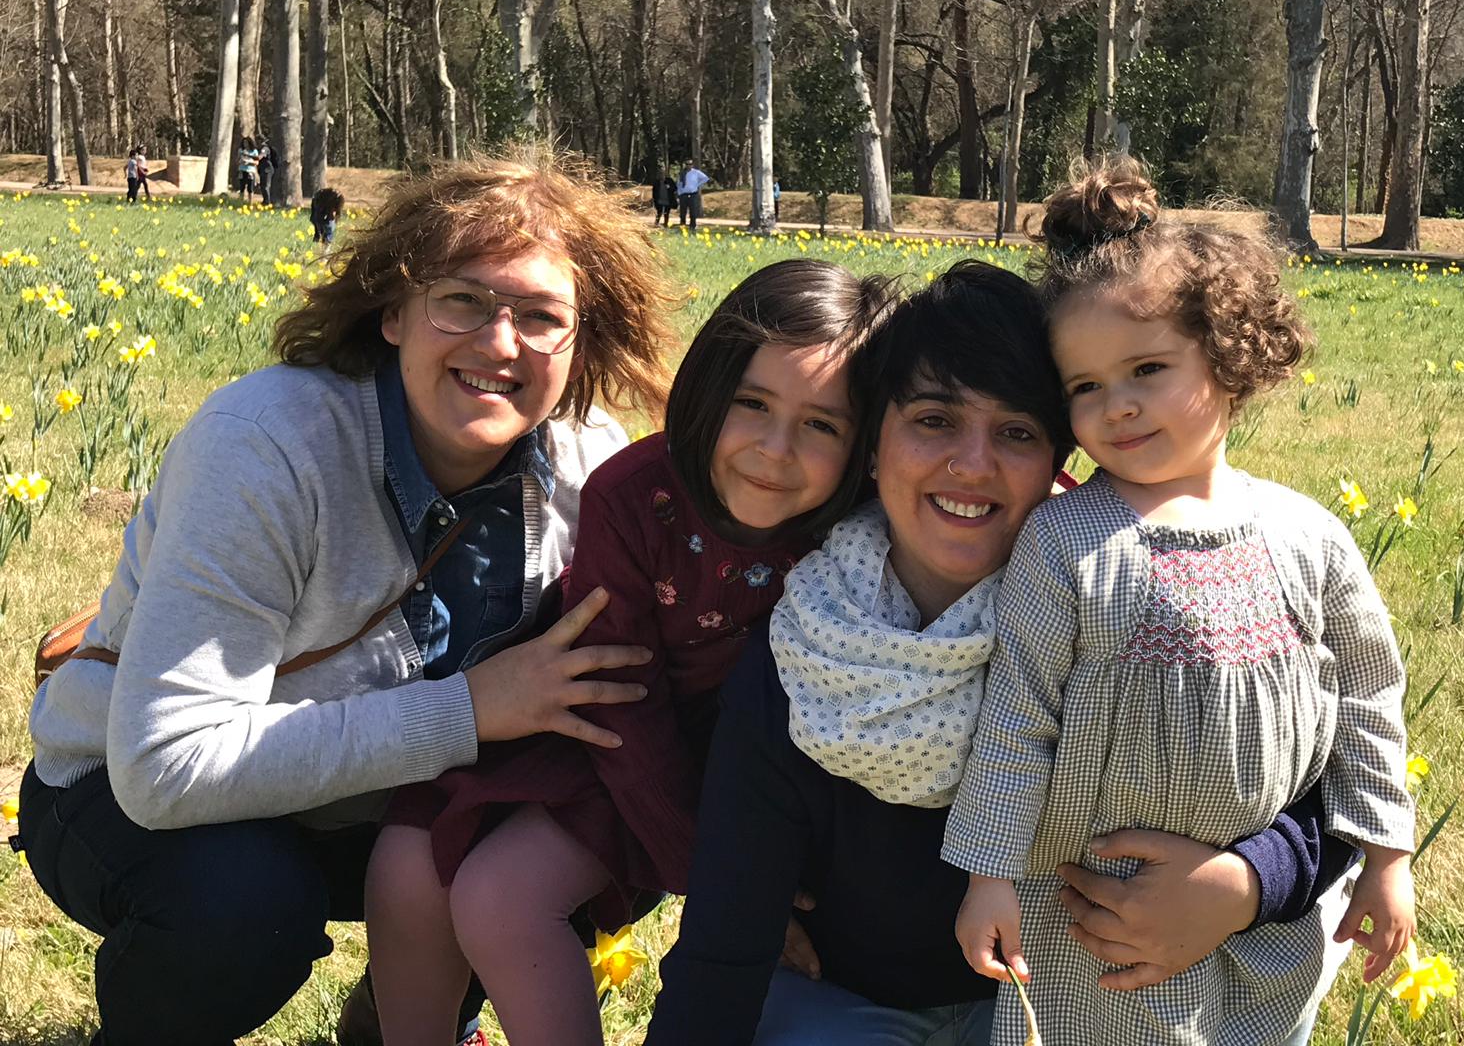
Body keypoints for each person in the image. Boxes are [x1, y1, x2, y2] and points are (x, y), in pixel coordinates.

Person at [16, 154, 677, 1046]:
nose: (500, 343)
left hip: (378, 811)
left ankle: (405, 1024)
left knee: (561, 834)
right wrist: (471, 711)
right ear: (394, 311)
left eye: (541, 316)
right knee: (243, 906)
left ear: (581, 341)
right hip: (127, 797)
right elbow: (163, 766)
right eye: (465, 302)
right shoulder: (266, 445)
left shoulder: (589, 463)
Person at [644, 261, 1357, 1046]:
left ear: (1059, 459)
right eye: (933, 420)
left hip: (1070, 1013)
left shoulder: (1125, 621)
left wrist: (1248, 885)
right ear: (872, 444)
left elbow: (1332, 786)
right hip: (839, 1005)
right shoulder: (810, 651)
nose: (974, 465)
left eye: (1016, 432)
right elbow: (721, 950)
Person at [368, 259, 897, 1045]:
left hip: (743, 769)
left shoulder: (867, 520)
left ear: (867, 442)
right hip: (603, 734)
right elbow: (621, 699)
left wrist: (730, 892)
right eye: (751, 403)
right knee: (407, 864)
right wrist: (714, 883)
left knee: (501, 897)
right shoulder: (635, 495)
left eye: (822, 424)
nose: (775, 448)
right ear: (709, 386)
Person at [946, 158, 1414, 1046]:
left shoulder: (1309, 535)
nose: (1116, 406)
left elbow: (1367, 702)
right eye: (1084, 387)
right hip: (1088, 921)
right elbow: (1017, 717)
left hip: (1268, 929)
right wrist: (988, 874)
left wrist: (1387, 858)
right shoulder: (1065, 540)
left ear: (1231, 354)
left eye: (1148, 369)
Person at [678, 159, 710, 229]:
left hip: (693, 194)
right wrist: (679, 192)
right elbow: (679, 183)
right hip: (684, 194)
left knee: (693, 211)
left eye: (690, 164)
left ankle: (693, 225)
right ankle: (682, 225)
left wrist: (697, 184)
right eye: (687, 164)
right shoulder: (682, 173)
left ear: (692, 165)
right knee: (683, 211)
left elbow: (705, 178)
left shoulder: (696, 172)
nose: (688, 166)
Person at [237, 134, 259, 201]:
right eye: (244, 143)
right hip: (242, 170)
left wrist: (249, 162)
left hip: (250, 171)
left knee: (250, 188)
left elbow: (257, 162)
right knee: (242, 188)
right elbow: (237, 160)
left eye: (246, 143)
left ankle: (250, 203)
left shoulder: (254, 151)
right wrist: (240, 161)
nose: (245, 144)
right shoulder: (241, 150)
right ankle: (240, 202)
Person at [257, 140, 278, 206]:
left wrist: (248, 156)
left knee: (266, 186)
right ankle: (265, 200)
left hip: (267, 169)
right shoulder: (261, 148)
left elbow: (260, 157)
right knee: (262, 186)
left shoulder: (265, 149)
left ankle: (267, 202)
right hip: (263, 169)